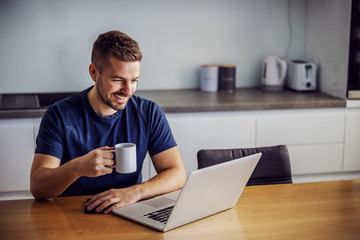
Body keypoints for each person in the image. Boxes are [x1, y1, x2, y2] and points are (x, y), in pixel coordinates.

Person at [30, 30, 186, 214]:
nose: (128, 90)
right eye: (118, 80)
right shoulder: (59, 115)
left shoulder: (148, 112)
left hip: (129, 212)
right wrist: (77, 167)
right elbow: (38, 187)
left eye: (134, 80)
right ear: (94, 72)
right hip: (73, 214)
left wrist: (135, 192)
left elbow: (177, 174)